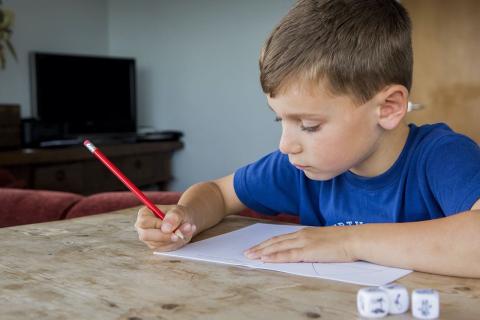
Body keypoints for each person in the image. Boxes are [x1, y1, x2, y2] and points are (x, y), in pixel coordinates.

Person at [135, 0, 480, 277]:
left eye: (310, 125)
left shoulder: (443, 156)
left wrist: (348, 241)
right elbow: (217, 193)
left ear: (389, 107)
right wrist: (184, 216)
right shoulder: (300, 167)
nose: (286, 145)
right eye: (281, 120)